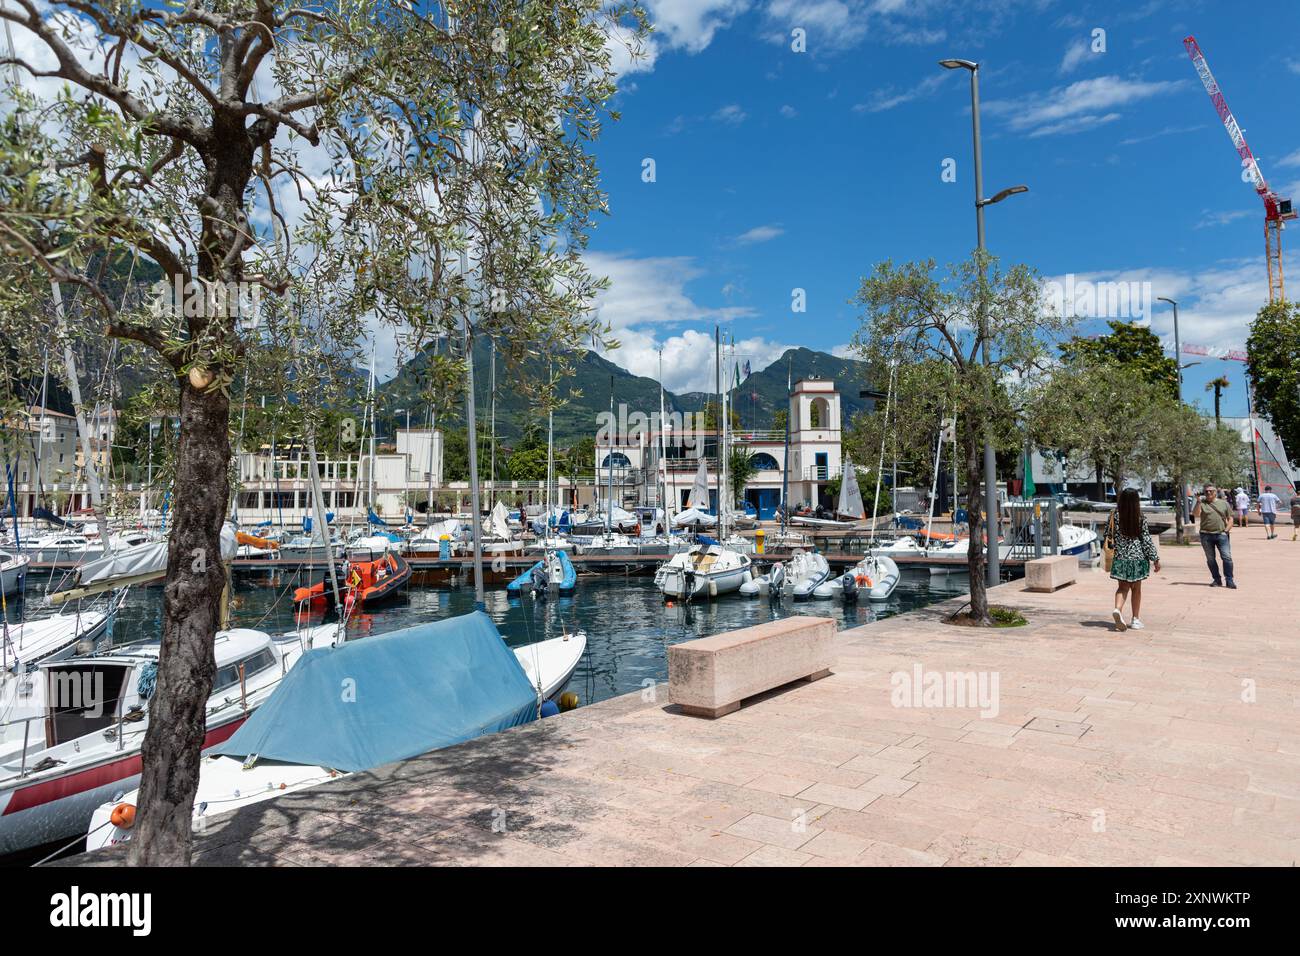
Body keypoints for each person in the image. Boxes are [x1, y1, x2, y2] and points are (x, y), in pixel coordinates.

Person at [1108, 488, 1161, 631]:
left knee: (1122, 587)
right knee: (1136, 589)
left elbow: (1108, 533)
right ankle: (1135, 619)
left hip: (1120, 557)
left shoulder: (1114, 515)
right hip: (1138, 557)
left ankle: (1117, 609)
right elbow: (1146, 540)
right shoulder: (1140, 517)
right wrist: (1155, 559)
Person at [1192, 482, 1235, 588]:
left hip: (1221, 535)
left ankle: (1229, 580)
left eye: (1211, 491)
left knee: (1227, 558)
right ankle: (1217, 579)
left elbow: (1230, 519)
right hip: (1206, 535)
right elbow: (1196, 514)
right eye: (1206, 491)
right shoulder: (1202, 503)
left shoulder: (1224, 503)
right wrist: (1197, 502)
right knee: (1210, 559)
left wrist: (1226, 530)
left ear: (1215, 492)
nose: (1208, 493)